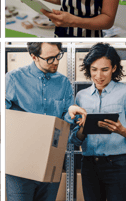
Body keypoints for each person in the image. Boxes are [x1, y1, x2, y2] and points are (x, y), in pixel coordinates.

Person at [5, 42, 86, 201]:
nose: (56, 61)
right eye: (50, 58)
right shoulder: (13, 79)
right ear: (34, 56)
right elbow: (2, 117)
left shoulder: (63, 83)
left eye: (58, 56)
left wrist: (70, 113)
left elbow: (65, 121)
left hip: (51, 161)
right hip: (20, 164)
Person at [70, 43, 126, 201]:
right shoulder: (81, 96)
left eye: (104, 69)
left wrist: (121, 130)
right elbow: (74, 139)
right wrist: (83, 128)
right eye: (94, 69)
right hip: (89, 165)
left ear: (114, 68)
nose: (99, 75)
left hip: (118, 164)